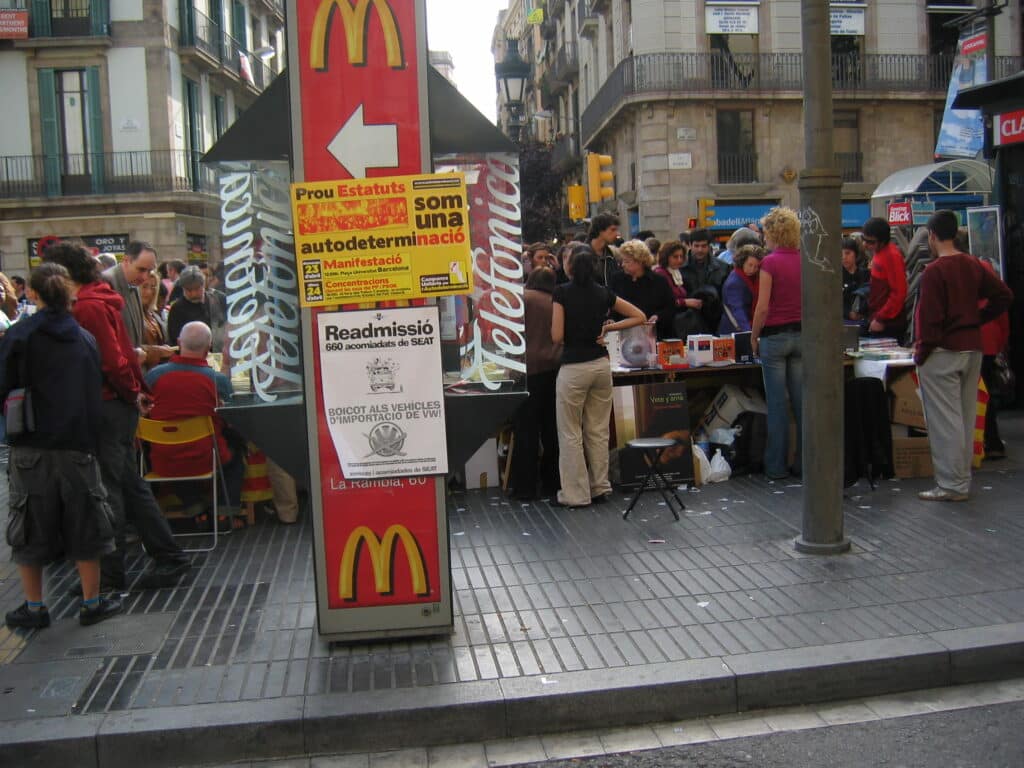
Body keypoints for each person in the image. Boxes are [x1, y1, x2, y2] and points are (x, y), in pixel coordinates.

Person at [42, 242, 190, 591]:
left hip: (106, 405)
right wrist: (135, 391)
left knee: (110, 490)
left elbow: (112, 360)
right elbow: (122, 354)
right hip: (113, 403)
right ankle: (168, 557)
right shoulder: (100, 302)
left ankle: (112, 572)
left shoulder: (90, 307)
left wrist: (131, 392)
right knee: (126, 484)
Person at [2, 263, 121, 628]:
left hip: (30, 444)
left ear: (34, 294)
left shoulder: (19, 336)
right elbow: (93, 392)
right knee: (86, 522)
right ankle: (91, 602)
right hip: (77, 446)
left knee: (30, 527)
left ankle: (35, 607)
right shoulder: (82, 338)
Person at [914, 210, 1012, 502]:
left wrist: (921, 352)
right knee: (965, 416)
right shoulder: (974, 264)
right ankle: (961, 478)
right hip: (972, 346)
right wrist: (977, 318)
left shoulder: (933, 272)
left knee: (945, 420)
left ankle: (951, 483)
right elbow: (1003, 296)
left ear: (931, 235)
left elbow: (929, 319)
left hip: (943, 350)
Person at [551, 245, 645, 507]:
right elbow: (640, 316)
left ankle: (575, 494)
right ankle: (600, 487)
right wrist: (610, 327)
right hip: (601, 365)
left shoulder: (561, 293)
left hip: (573, 368)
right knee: (598, 429)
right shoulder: (604, 293)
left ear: (569, 268)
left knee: (570, 431)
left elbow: (556, 337)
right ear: (593, 267)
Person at [145, 321, 246, 526]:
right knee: (237, 450)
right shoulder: (217, 380)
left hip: (162, 460)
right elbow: (231, 419)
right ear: (208, 348)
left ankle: (195, 506)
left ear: (179, 342)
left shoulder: (153, 376)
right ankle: (225, 512)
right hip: (207, 457)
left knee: (173, 447)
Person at [751, 207, 803, 481]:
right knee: (801, 402)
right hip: (802, 335)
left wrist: (754, 336)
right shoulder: (805, 260)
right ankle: (805, 463)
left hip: (775, 336)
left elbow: (762, 308)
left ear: (772, 233)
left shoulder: (770, 263)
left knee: (777, 404)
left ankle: (776, 465)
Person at [509, 267, 562, 500]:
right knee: (552, 431)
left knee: (526, 431)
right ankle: (552, 484)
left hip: (526, 371)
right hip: (554, 369)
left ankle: (525, 488)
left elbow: (512, 333)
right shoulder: (557, 301)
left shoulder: (522, 298)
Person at [103, 240, 174, 370]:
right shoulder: (107, 282)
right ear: (126, 260)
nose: (145, 276)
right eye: (141, 269)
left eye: (149, 270)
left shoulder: (133, 284)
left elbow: (135, 339)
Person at [609, 240, 676, 339]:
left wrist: (658, 316)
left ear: (640, 262)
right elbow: (610, 305)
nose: (622, 265)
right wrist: (610, 319)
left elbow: (670, 307)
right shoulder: (616, 280)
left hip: (653, 335)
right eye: (622, 261)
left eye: (627, 261)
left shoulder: (659, 281)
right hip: (622, 335)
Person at [861, 217, 907, 339]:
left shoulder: (892, 256)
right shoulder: (879, 252)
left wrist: (880, 318)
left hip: (888, 323)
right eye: (863, 239)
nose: (865, 245)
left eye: (871, 242)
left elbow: (898, 293)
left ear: (882, 241)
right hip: (879, 318)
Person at [167, 266, 227, 353]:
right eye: (189, 290)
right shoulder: (177, 309)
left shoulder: (219, 299)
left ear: (203, 285)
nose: (193, 294)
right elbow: (175, 340)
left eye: (197, 289)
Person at [719, 244, 763, 334]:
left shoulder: (753, 278)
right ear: (742, 262)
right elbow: (737, 310)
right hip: (735, 330)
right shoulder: (734, 282)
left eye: (756, 266)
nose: (752, 269)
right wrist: (749, 333)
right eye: (750, 265)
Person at [653, 240, 702, 314]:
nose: (679, 260)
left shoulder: (676, 272)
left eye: (681, 256)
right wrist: (685, 302)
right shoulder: (660, 273)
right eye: (675, 257)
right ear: (666, 257)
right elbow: (661, 302)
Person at [680, 228, 729, 296]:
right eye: (696, 246)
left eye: (704, 246)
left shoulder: (723, 267)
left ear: (709, 246)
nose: (700, 250)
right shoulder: (679, 267)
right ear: (690, 245)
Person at [587, 212, 623, 286]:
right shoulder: (582, 253)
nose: (618, 234)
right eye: (613, 230)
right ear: (600, 230)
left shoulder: (611, 255)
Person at [841, 237, 870, 321]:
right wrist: (848, 313)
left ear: (855, 254)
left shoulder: (865, 274)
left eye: (847, 253)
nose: (843, 257)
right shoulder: (836, 277)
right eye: (840, 254)